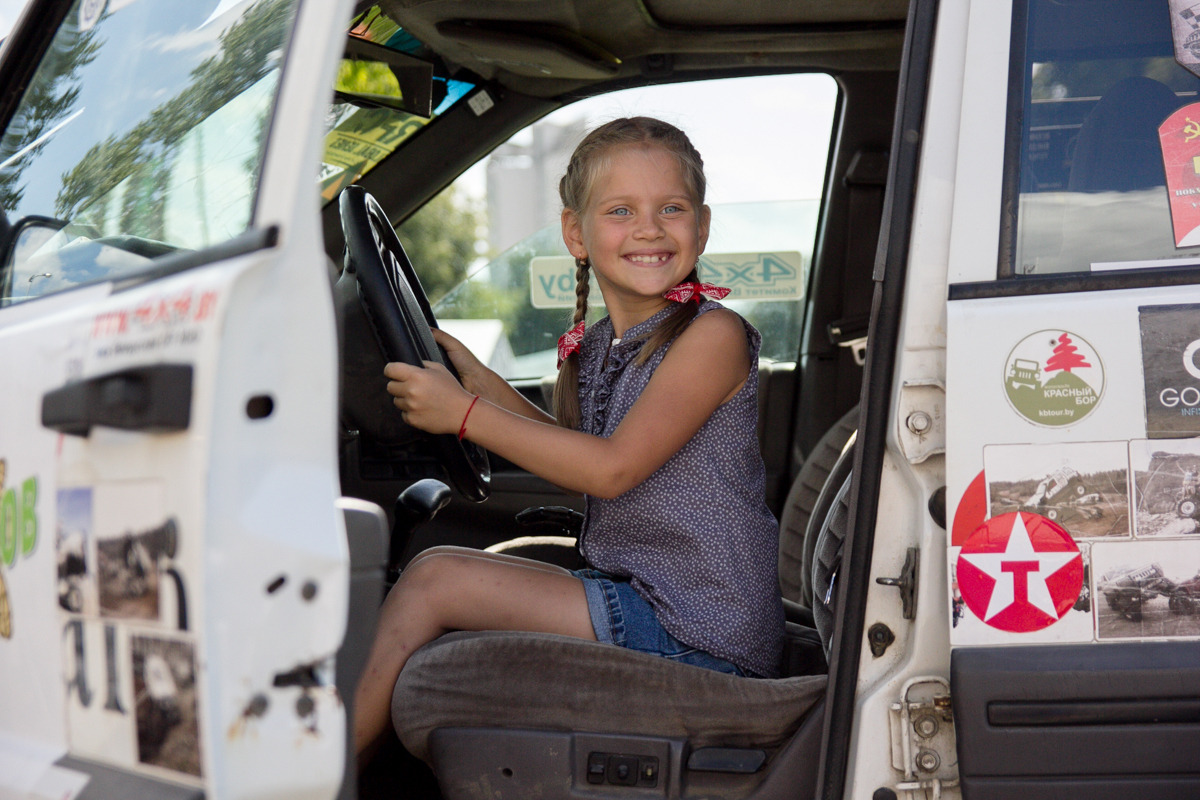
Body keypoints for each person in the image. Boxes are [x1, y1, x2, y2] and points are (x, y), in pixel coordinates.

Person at [353, 116, 785, 755]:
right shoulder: (599, 347)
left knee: (432, 580)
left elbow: (609, 470)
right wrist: (477, 384)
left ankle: (317, 776)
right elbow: (569, 453)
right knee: (442, 574)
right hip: (648, 597)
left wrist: (464, 416)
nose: (648, 228)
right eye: (620, 210)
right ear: (575, 233)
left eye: (672, 208)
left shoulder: (711, 338)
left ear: (703, 225)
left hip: (701, 630)